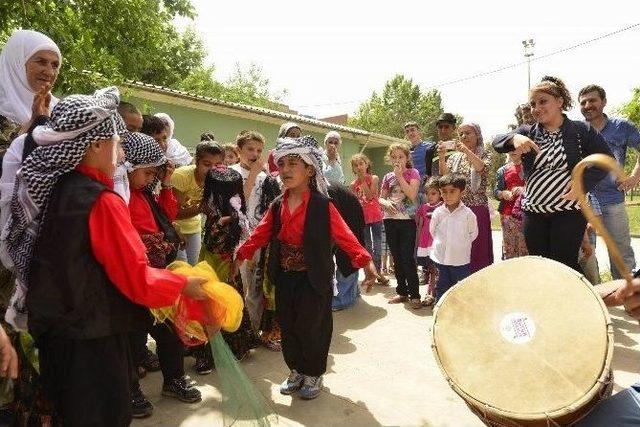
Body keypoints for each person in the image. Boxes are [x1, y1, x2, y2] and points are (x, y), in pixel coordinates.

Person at [2, 87, 207, 426]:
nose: (121, 152)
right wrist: (183, 284)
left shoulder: (58, 190)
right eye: (117, 141)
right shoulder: (102, 201)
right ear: (95, 144)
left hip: (57, 333)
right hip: (92, 338)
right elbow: (136, 278)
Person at [236, 135, 377, 400]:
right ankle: (296, 371)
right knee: (288, 326)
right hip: (285, 277)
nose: (285, 170)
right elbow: (261, 233)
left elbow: (345, 235)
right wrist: (242, 254)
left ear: (310, 169)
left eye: (293, 163)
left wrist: (365, 262)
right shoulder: (277, 204)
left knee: (313, 326)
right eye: (282, 164)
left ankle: (313, 373)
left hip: (314, 278)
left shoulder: (323, 206)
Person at [493, 76, 612, 272]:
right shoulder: (528, 132)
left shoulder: (581, 130)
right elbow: (497, 142)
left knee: (564, 267)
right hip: (534, 214)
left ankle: (576, 301)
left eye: (542, 101)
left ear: (559, 102)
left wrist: (582, 183)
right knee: (540, 268)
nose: (536, 108)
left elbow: (606, 160)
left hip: (569, 213)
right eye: (532, 104)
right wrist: (514, 138)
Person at [121, 132, 202, 418]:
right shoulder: (117, 196)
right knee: (131, 339)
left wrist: (166, 185)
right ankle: (129, 392)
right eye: (146, 173)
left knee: (169, 332)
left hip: (157, 275)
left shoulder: (145, 194)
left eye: (153, 174)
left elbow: (168, 217)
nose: (149, 179)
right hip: (132, 279)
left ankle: (173, 380)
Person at [579, 84, 640, 279]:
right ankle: (594, 298)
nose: (588, 105)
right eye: (583, 102)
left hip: (613, 201)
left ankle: (629, 297)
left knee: (621, 253)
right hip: (583, 204)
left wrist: (635, 176)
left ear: (604, 102)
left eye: (592, 100)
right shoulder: (577, 130)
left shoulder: (621, 127)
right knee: (585, 254)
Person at [199, 166, 259, 361]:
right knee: (231, 305)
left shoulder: (222, 220)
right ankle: (237, 347)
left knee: (215, 308)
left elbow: (212, 245)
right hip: (227, 269)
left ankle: (211, 353)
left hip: (216, 270)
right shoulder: (235, 213)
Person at [229, 131, 281, 347]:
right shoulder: (230, 173)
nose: (254, 154)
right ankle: (237, 333)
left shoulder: (264, 177)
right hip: (238, 240)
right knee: (238, 285)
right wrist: (253, 175)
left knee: (257, 285)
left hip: (259, 237)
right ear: (239, 151)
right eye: (250, 149)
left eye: (259, 150)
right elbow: (239, 202)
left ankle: (255, 329)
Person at [438, 122, 493, 273]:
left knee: (477, 248)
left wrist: (467, 151)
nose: (464, 136)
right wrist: (442, 157)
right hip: (457, 209)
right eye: (461, 134)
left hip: (477, 210)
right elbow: (446, 176)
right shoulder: (455, 157)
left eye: (468, 133)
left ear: (477, 135)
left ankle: (478, 282)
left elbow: (481, 168)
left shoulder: (484, 153)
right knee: (458, 249)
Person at [379, 143, 422, 309]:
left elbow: (411, 194)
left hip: (407, 222)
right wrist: (385, 203)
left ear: (407, 158)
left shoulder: (413, 173)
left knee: (407, 258)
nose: (397, 160)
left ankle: (415, 294)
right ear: (390, 159)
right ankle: (402, 292)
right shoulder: (387, 176)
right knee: (396, 257)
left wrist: (400, 176)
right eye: (394, 157)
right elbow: (380, 198)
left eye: (401, 157)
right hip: (390, 220)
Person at [171, 141, 223, 266]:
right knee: (181, 268)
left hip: (194, 228)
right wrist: (202, 208)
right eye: (207, 164)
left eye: (217, 165)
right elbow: (174, 213)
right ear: (196, 161)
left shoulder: (218, 179)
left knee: (194, 266)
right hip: (174, 228)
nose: (212, 170)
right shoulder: (182, 176)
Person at [430, 174, 478, 301]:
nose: (448, 195)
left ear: (462, 192)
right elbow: (433, 232)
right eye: (444, 192)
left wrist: (459, 245)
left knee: (461, 288)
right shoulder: (438, 213)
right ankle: (440, 310)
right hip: (441, 260)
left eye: (452, 191)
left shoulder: (468, 214)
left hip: (460, 261)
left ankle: (460, 312)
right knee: (441, 287)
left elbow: (473, 234)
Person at [350, 153, 387, 285]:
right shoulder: (353, 185)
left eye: (361, 163)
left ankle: (378, 273)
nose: (359, 167)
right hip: (363, 220)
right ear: (353, 169)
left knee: (377, 247)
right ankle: (368, 274)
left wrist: (362, 180)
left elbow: (370, 196)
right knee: (367, 247)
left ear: (367, 164)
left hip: (375, 217)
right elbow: (354, 204)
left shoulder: (374, 178)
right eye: (356, 165)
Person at [329, 182, 367, 311]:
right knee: (347, 258)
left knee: (347, 258)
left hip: (351, 222)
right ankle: (353, 293)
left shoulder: (324, 192)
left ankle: (343, 300)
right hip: (348, 218)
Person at [494, 151, 528, 259]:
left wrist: (524, 189)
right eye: (510, 148)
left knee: (525, 250)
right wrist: (503, 193)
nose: (513, 151)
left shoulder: (531, 168)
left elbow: (539, 188)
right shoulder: (502, 170)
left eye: (516, 148)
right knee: (509, 249)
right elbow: (495, 191)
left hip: (526, 214)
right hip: (507, 215)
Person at [415, 177, 443, 306]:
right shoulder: (424, 208)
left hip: (438, 243)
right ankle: (430, 293)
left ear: (440, 193)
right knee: (431, 269)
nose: (430, 197)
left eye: (433, 193)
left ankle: (438, 293)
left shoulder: (443, 207)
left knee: (439, 270)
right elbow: (419, 225)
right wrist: (418, 241)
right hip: (426, 243)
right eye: (427, 194)